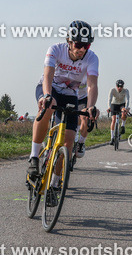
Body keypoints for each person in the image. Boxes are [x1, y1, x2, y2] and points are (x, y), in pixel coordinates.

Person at [28, 21, 100, 196]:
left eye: (86, 45)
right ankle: (34, 157)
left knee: (68, 141)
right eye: (78, 44)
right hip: (49, 88)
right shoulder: (55, 49)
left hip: (70, 94)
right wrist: (46, 95)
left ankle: (54, 185)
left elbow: (91, 85)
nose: (82, 49)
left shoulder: (92, 58)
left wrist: (90, 107)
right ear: (69, 41)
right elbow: (48, 74)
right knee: (49, 106)